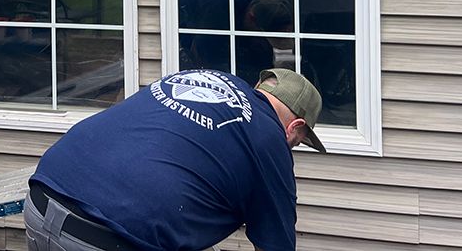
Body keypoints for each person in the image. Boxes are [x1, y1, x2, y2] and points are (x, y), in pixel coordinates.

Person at [25, 68, 325, 251]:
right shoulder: (270, 139)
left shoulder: (202, 78)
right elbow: (275, 246)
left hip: (42, 196)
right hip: (111, 236)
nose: (292, 148)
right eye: (297, 143)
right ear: (295, 127)